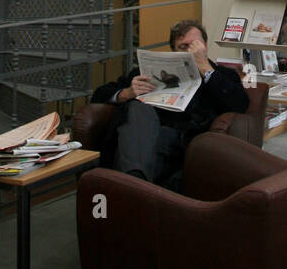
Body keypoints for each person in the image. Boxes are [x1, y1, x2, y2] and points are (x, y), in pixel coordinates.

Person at [91, 18, 249, 189]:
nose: (190, 51)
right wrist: (126, 93)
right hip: (143, 137)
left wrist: (204, 66)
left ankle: (132, 186)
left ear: (205, 45)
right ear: (173, 50)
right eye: (183, 47)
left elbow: (240, 104)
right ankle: (135, 185)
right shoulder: (146, 71)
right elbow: (99, 95)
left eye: (195, 45)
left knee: (149, 151)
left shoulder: (222, 75)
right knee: (137, 109)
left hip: (183, 143)